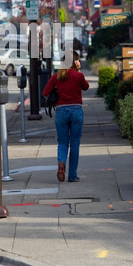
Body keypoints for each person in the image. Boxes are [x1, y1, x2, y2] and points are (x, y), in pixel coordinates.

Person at [43, 51, 89, 183]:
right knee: (75, 143)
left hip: (61, 111)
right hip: (76, 111)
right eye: (78, 60)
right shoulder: (78, 76)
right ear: (75, 62)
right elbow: (86, 87)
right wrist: (79, 72)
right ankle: (72, 175)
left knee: (62, 142)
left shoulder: (57, 76)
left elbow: (45, 92)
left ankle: (61, 162)